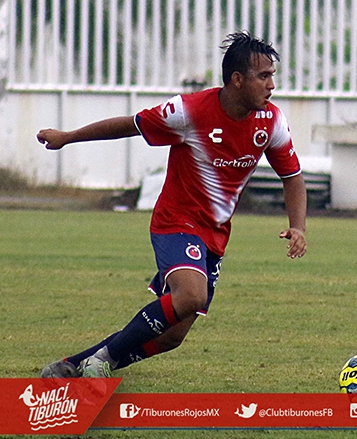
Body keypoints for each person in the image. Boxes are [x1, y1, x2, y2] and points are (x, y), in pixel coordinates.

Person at [37, 31, 307, 378]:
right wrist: (67, 137)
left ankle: (73, 366)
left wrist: (298, 226)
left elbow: (293, 176)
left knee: (172, 336)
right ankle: (102, 361)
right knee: (191, 296)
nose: (272, 85)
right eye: (263, 76)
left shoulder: (271, 122)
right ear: (238, 79)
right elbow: (130, 125)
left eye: (272, 75)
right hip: (176, 222)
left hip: (215, 234)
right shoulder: (189, 111)